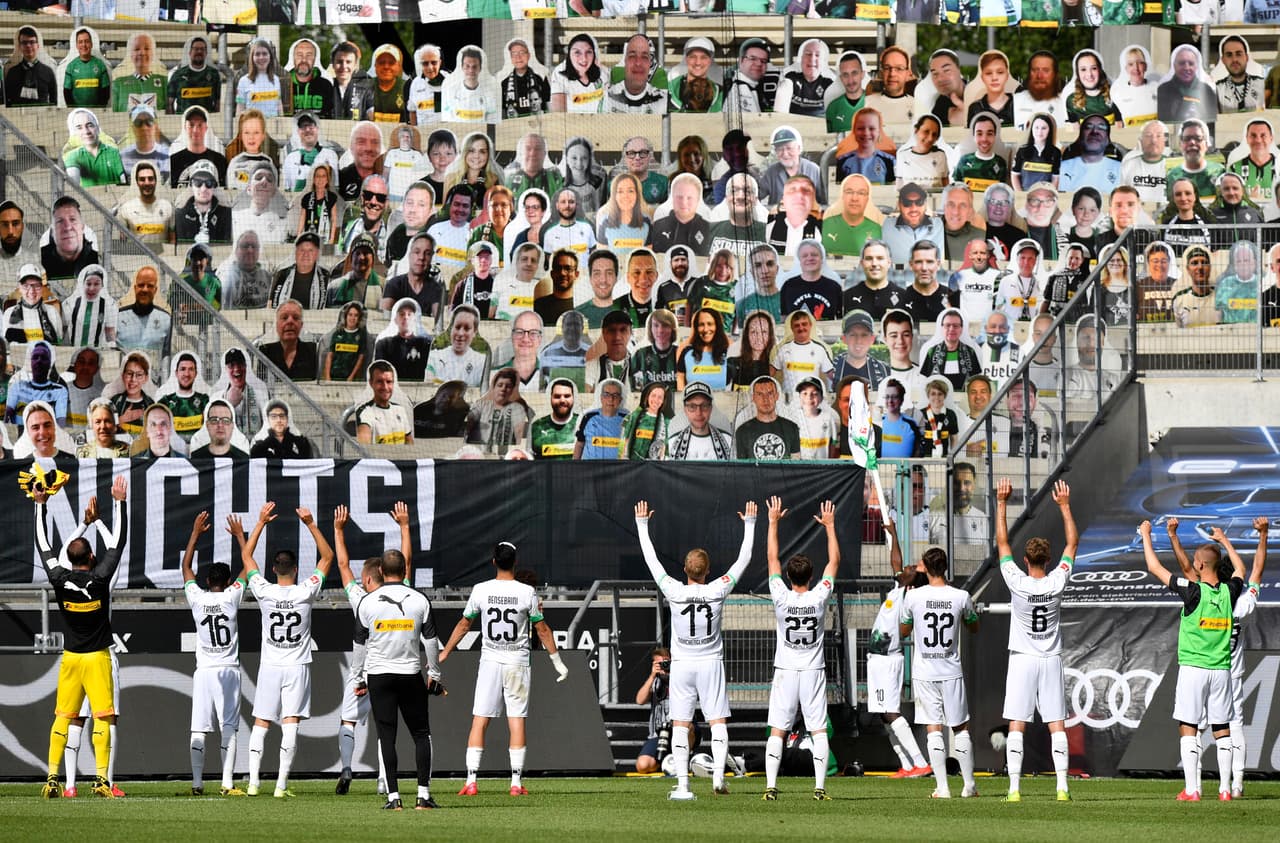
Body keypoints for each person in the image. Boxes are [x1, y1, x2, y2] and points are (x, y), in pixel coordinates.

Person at [633, 497, 757, 798]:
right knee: (717, 722)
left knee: (680, 723)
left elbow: (652, 561)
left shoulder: (673, 590)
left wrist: (642, 524)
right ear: (708, 570)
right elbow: (744, 560)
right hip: (710, 662)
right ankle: (717, 779)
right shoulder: (718, 589)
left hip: (684, 665)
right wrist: (750, 525)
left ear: (685, 569)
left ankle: (684, 786)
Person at [333, 504, 442, 811]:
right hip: (409, 673)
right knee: (421, 734)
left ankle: (393, 798)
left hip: (377, 675)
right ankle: (423, 795)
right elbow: (430, 639)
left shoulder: (364, 601)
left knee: (386, 735)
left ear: (379, 572)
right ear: (405, 571)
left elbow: (359, 644)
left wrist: (357, 678)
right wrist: (434, 673)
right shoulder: (416, 597)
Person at [440, 541, 569, 796]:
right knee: (517, 721)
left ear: (493, 562)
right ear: (515, 561)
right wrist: (557, 661)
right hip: (517, 663)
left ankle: (471, 780)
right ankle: (515, 783)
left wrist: (445, 652)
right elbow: (542, 630)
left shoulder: (481, 590)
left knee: (480, 720)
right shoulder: (527, 593)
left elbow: (464, 625)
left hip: (490, 662)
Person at [1137, 518, 1246, 801]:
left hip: (1194, 668)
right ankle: (1224, 790)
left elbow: (1155, 568)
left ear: (1199, 565)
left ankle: (1193, 789)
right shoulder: (1229, 592)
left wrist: (1147, 536)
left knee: (1189, 726)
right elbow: (1241, 569)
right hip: (1221, 670)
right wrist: (1224, 541)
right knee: (1222, 729)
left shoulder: (1193, 591)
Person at [228, 503, 333, 798]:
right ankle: (281, 785)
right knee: (290, 722)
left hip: (270, 666)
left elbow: (247, 557)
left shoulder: (263, 590)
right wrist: (311, 523)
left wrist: (260, 522)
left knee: (261, 721)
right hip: (297, 666)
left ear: (273, 569)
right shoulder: (306, 590)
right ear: (297, 569)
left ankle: (252, 783)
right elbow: (327, 557)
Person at [36, 474, 129, 800]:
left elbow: (45, 546)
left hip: (71, 657)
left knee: (63, 716)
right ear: (91, 558)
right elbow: (118, 544)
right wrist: (120, 503)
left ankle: (52, 777)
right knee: (103, 717)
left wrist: (40, 507)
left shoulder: (59, 578)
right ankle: (102, 779)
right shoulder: (102, 579)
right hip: (98, 657)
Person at [994, 477, 1077, 802]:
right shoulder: (1058, 580)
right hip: (1050, 658)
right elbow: (1072, 544)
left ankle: (1014, 789)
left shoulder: (1017, 581)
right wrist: (1065, 507)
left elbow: (1002, 545)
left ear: (1026, 561)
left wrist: (1002, 503)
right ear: (1049, 559)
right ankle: (1062, 788)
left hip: (1023, 658)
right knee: (1057, 723)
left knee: (1017, 723)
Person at [759, 496, 838, 801]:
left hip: (786, 670)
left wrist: (773, 522)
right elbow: (834, 562)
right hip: (813, 670)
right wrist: (829, 527)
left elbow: (771, 559)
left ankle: (770, 787)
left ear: (789, 577)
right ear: (811, 575)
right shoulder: (819, 597)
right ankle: (819, 789)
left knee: (778, 729)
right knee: (818, 730)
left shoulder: (780, 595)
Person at [898, 545, 980, 799]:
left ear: (926, 566)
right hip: (951, 670)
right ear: (946, 567)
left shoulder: (913, 597)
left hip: (925, 671)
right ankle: (969, 786)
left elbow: (903, 631)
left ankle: (942, 787)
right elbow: (974, 626)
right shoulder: (960, 596)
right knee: (960, 728)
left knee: (933, 728)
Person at [180, 511, 247, 796]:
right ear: (229, 581)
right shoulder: (233, 596)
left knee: (198, 728)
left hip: (204, 671)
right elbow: (250, 568)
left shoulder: (197, 598)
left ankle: (197, 783)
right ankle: (227, 783)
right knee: (228, 727)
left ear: (207, 581)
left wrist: (195, 533)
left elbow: (185, 568)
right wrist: (241, 537)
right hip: (228, 670)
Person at [465, 367, 533, 454]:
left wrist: (529, 449)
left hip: (504, 454)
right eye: (500, 385)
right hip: (484, 453)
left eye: (508, 386)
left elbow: (533, 418)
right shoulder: (483, 402)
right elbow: (472, 415)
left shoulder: (518, 404)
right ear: (494, 386)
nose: (503, 389)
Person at [736, 376, 801, 460]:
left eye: (770, 393)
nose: (765, 399)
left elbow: (796, 466)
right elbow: (742, 468)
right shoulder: (742, 431)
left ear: (777, 396)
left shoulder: (792, 428)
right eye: (760, 394)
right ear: (753, 398)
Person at [1059, 114, 1123, 194]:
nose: (1094, 131)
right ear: (1080, 137)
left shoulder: (1122, 170)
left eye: (1101, 128)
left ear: (1108, 140)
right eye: (1088, 127)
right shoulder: (1061, 168)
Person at [356, 360, 414, 446]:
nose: (385, 387)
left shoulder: (400, 410)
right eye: (380, 381)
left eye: (389, 382)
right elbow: (364, 449)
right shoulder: (365, 413)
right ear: (371, 383)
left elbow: (410, 443)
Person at [1157, 45, 1218, 126]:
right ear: (1174, 65)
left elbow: (1211, 120)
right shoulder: (1163, 90)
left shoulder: (1207, 90)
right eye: (1182, 63)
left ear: (1196, 66)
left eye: (1191, 63)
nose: (1186, 67)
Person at [929, 461, 987, 545]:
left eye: (967, 483)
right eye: (956, 483)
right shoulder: (934, 517)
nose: (962, 488)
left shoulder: (983, 519)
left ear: (974, 485)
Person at [3, 265, 62, 346]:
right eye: (26, 286)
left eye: (36, 285)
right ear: (19, 288)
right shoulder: (8, 314)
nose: (31, 291)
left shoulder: (52, 312)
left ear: (42, 287)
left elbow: (59, 343)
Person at [168, 34, 220, 114]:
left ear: (206, 53)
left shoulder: (214, 74)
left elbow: (217, 102)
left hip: (207, 122)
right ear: (189, 52)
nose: (199, 51)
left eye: (202, 49)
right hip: (183, 122)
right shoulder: (178, 75)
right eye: (196, 49)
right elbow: (169, 103)